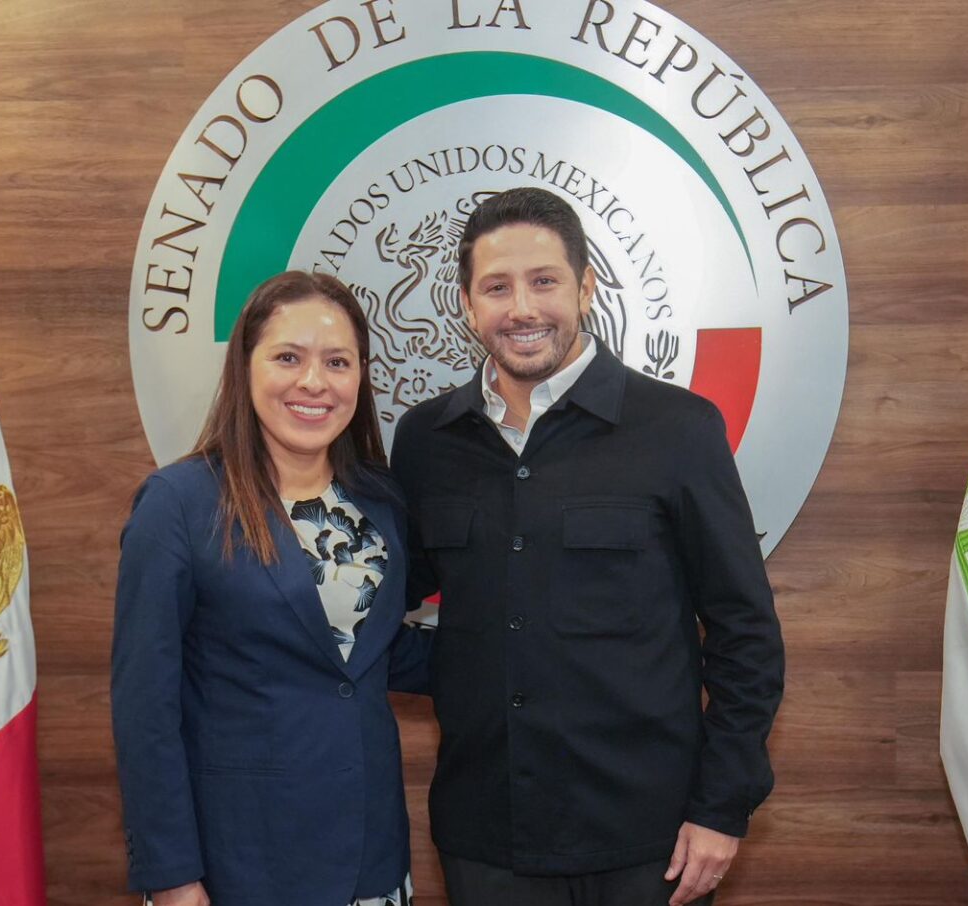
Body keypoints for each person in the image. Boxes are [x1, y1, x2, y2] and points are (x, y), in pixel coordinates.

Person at [390, 187, 786, 906]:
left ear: (586, 288)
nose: (523, 308)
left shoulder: (679, 429)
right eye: (497, 287)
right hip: (487, 839)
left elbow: (745, 634)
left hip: (651, 840)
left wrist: (722, 806)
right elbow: (382, 599)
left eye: (544, 281)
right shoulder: (425, 441)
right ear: (468, 305)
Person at [112, 271, 430, 906]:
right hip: (240, 862)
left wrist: (523, 652)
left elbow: (367, 653)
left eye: (337, 362)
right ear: (245, 366)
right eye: (288, 357)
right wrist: (171, 875)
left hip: (372, 856)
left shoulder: (382, 500)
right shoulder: (178, 504)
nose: (314, 381)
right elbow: (145, 708)